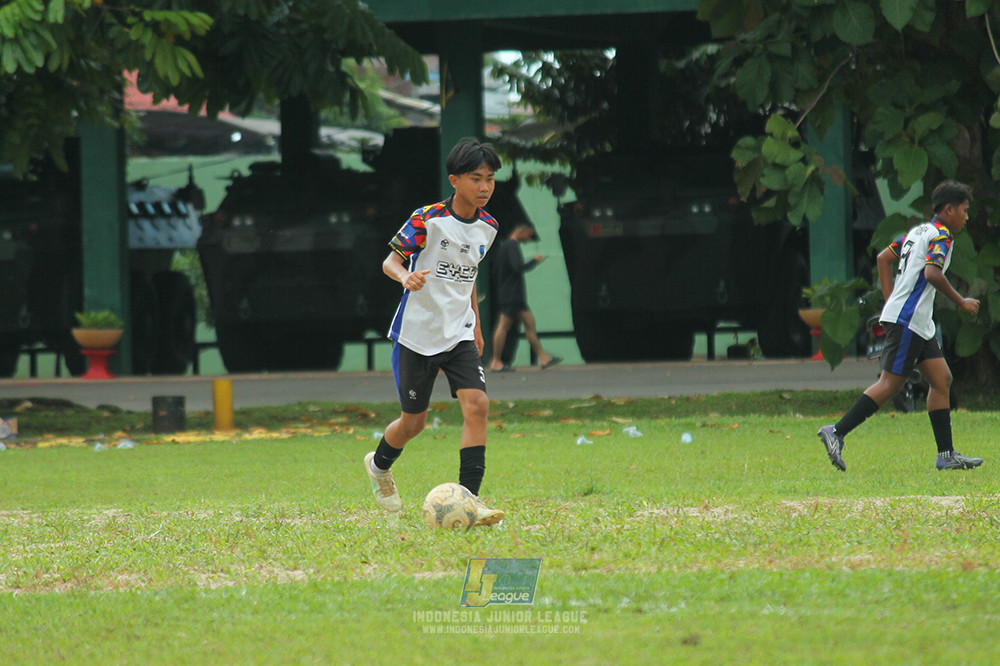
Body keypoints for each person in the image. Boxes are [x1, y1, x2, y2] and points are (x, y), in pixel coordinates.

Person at [363, 139, 505, 526]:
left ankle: (470, 502)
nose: (484, 187)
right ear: (454, 180)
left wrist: (474, 323)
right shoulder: (428, 218)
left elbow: (469, 277)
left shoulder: (488, 227)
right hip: (416, 334)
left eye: (490, 179)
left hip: (458, 332)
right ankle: (378, 467)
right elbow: (390, 261)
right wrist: (405, 275)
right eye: (476, 178)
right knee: (414, 424)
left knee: (478, 405)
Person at [817, 180, 984, 472]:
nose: (966, 217)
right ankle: (837, 431)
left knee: (941, 379)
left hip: (917, 322)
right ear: (949, 209)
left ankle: (946, 454)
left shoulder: (917, 232)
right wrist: (961, 302)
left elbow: (884, 258)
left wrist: (890, 301)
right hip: (909, 321)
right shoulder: (941, 236)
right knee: (891, 383)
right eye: (964, 210)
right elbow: (932, 273)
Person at [487, 222, 562, 372]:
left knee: (529, 323)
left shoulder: (504, 247)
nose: (529, 239)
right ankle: (495, 361)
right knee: (504, 326)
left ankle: (543, 357)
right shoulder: (511, 246)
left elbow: (498, 272)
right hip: (511, 295)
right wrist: (535, 261)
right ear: (522, 231)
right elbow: (518, 267)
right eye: (529, 235)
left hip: (514, 295)